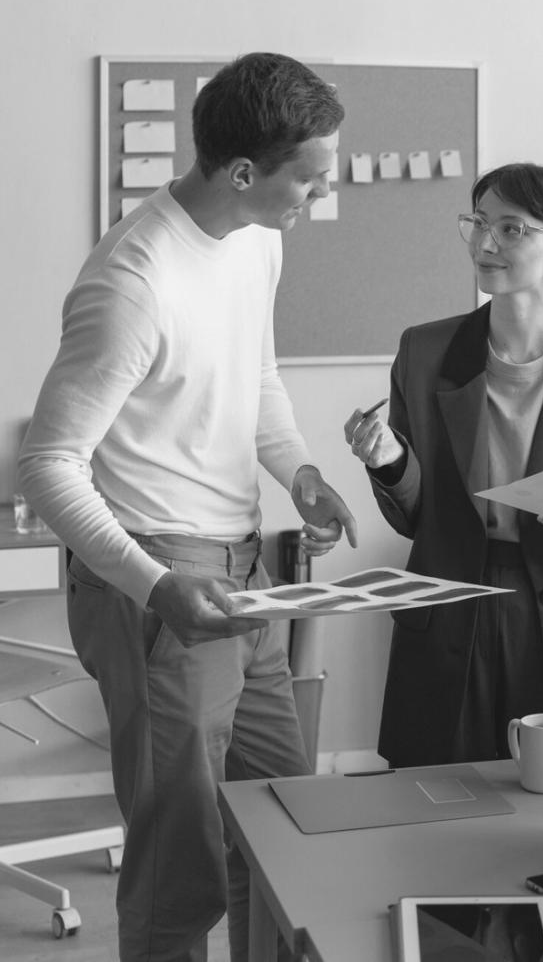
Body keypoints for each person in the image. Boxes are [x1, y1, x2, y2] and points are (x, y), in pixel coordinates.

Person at [18, 53, 357, 962]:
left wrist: (301, 472)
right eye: (311, 177)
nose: (320, 196)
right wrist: (153, 583)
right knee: (182, 862)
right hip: (161, 569)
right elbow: (46, 464)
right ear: (244, 172)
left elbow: (257, 375)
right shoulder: (132, 282)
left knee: (283, 821)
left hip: (242, 565)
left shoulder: (258, 234)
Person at [344, 162, 543, 768]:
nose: (485, 244)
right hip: (449, 597)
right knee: (433, 805)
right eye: (478, 223)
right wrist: (390, 461)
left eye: (511, 229)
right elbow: (415, 518)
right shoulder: (424, 351)